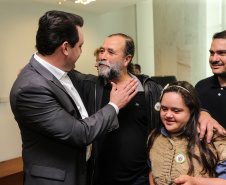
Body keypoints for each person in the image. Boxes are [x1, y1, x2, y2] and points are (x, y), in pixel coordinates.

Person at [69, 33, 226, 185]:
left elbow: (180, 108)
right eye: (102, 51)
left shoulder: (149, 90)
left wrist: (203, 113)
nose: (102, 56)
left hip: (140, 179)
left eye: (110, 52)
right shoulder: (91, 87)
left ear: (127, 59)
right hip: (99, 177)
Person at [10, 10, 138, 185]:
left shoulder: (58, 72)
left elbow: (87, 79)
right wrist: (114, 105)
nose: (81, 52)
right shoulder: (31, 88)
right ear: (65, 48)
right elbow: (80, 133)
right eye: (80, 46)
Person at [147, 81, 226, 185]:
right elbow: (152, 170)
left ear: (191, 110)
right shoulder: (154, 137)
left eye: (176, 111)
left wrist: (195, 182)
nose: (168, 115)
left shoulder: (212, 139)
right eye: (164, 109)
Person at [195, 30, 226, 128]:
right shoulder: (200, 87)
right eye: (212, 53)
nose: (214, 59)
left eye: (221, 53)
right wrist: (201, 112)